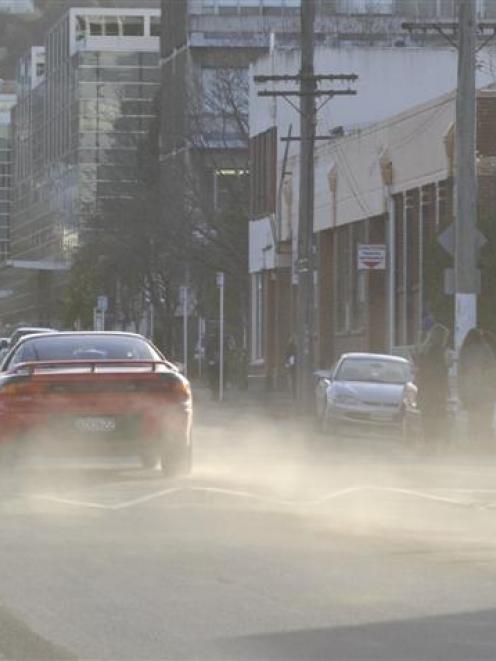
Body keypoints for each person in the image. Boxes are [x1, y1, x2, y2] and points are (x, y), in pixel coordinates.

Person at [458, 328, 496, 448]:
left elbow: (461, 374)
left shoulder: (465, 351)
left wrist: (462, 394)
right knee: (485, 418)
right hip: (485, 392)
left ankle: (474, 444)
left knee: (473, 419)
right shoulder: (486, 350)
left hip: (470, 391)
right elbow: (492, 370)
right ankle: (484, 444)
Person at [415, 323, 450, 450]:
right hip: (436, 392)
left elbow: (422, 370)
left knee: (428, 418)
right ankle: (432, 445)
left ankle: (428, 444)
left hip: (426, 391)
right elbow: (440, 373)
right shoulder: (439, 352)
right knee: (436, 419)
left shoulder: (426, 351)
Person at [285, 336, 297, 401]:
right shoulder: (292, 347)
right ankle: (294, 395)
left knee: (292, 381)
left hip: (292, 367)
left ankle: (293, 395)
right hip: (293, 367)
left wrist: (287, 364)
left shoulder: (289, 346)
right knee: (293, 381)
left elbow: (287, 356)